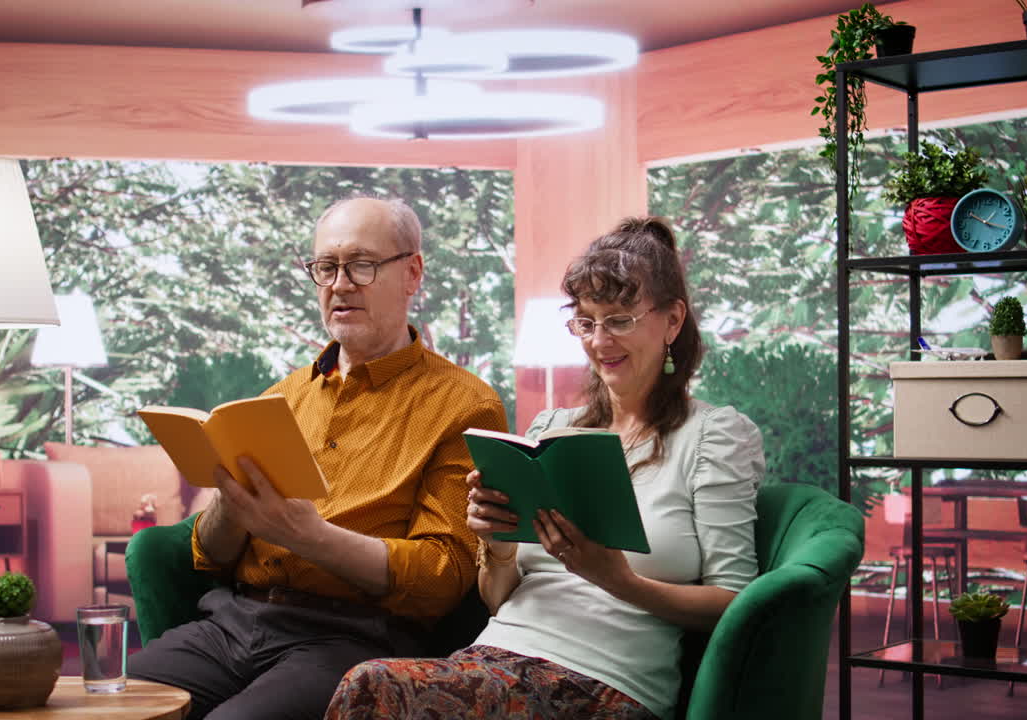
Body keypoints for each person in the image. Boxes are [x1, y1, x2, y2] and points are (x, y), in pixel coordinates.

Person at [326, 216, 765, 720]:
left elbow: (737, 603)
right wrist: (498, 546)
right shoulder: (555, 427)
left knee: (372, 687)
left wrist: (618, 580)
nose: (599, 341)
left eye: (619, 320)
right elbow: (496, 598)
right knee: (374, 685)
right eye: (586, 321)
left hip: (606, 685)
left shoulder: (712, 436)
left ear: (672, 320)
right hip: (494, 659)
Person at [126, 195, 509, 720]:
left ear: (412, 274)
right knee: (112, 704)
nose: (339, 283)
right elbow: (211, 557)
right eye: (325, 267)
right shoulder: (275, 400)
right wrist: (231, 507)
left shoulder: (466, 406)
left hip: (353, 638)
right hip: (232, 622)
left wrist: (309, 537)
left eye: (362, 265)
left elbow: (441, 578)